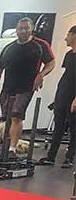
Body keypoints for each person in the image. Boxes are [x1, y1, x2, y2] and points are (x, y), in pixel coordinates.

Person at [0, 17, 56, 151]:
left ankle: (12, 148)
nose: (23, 31)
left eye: (26, 28)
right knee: (6, 119)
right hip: (8, 88)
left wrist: (41, 75)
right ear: (16, 30)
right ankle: (7, 146)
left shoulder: (40, 45)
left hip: (26, 88)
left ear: (31, 30)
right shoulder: (9, 48)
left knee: (16, 117)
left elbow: (51, 63)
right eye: (20, 28)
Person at [38, 25, 76, 168]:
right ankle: (50, 157)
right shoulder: (68, 55)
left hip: (73, 96)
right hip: (63, 94)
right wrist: (58, 96)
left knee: (73, 128)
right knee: (58, 126)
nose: (66, 37)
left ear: (74, 35)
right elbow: (67, 76)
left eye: (68, 34)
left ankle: (69, 158)